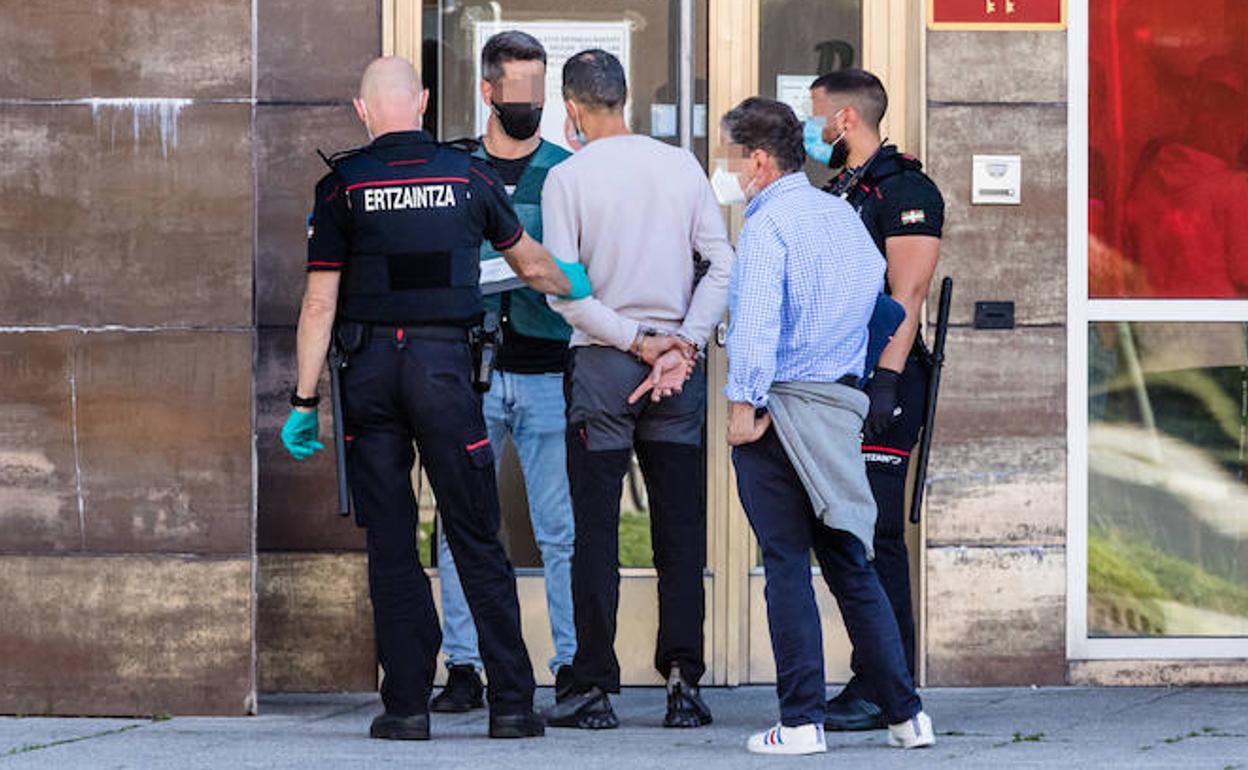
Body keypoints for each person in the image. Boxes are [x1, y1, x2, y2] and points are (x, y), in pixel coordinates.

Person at [278, 55, 591, 742]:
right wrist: (581, 287)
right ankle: (511, 704)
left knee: (391, 544)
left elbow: (317, 305)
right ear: (420, 103)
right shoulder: (470, 175)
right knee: (476, 533)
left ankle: (407, 707)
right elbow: (530, 265)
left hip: (368, 378)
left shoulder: (341, 188)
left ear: (363, 113)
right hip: (445, 372)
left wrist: (304, 403)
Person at [718, 96, 934, 756]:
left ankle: (802, 721)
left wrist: (742, 406)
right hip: (840, 405)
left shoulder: (766, 227)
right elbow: (883, 303)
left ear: (758, 160)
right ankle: (907, 715)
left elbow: (754, 325)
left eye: (731, 157)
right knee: (850, 563)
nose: (727, 170)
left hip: (781, 408)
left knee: (786, 564)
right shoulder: (840, 215)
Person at [538, 49, 733, 731]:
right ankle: (684, 682)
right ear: (624, 100)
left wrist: (637, 343)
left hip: (604, 365)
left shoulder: (567, 178)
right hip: (677, 370)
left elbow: (567, 292)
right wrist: (682, 341)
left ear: (571, 108)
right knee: (678, 530)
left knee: (595, 532)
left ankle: (592, 686)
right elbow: (722, 265)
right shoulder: (679, 165)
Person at [430, 30, 578, 715]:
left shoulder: (567, 171)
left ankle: (572, 662)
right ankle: (463, 664)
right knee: (463, 526)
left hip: (548, 368)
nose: (529, 105)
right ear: (489, 92)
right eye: (517, 92)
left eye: (538, 94)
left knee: (558, 529)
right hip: (471, 373)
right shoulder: (454, 168)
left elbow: (585, 262)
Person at [807, 69, 943, 732]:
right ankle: (877, 675)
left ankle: (888, 686)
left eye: (818, 117)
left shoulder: (904, 187)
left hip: (882, 385)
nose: (815, 131)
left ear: (846, 120)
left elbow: (908, 295)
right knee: (850, 533)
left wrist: (885, 383)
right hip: (838, 382)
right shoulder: (841, 189)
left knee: (880, 534)